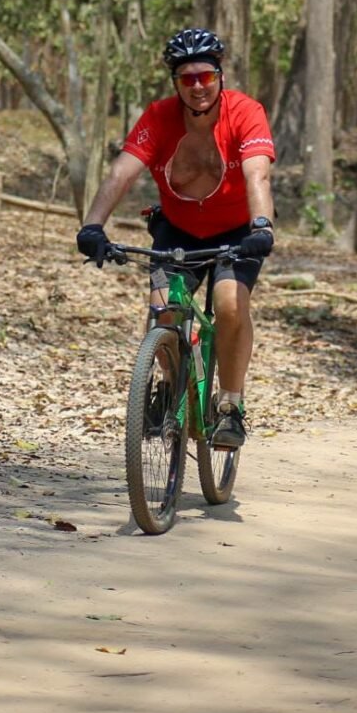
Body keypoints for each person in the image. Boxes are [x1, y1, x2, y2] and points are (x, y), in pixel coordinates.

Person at [76, 28, 277, 450]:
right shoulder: (158, 117)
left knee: (228, 302)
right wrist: (93, 225)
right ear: (176, 84)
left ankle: (230, 406)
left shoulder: (245, 112)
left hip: (239, 232)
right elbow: (121, 174)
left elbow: (257, 173)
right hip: (178, 227)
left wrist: (261, 226)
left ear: (220, 76)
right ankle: (169, 385)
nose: (199, 87)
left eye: (206, 77)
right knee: (163, 310)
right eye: (188, 79)